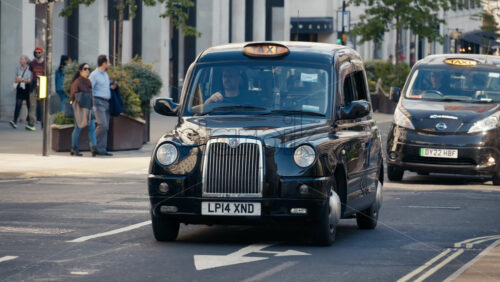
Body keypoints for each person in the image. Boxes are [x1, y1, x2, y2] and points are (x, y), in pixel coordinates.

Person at [70, 63, 98, 157]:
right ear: (80, 70)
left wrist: (92, 105)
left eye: (88, 69)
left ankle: (94, 148)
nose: (87, 70)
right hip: (80, 107)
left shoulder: (88, 81)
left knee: (92, 127)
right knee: (78, 127)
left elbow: (91, 94)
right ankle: (74, 147)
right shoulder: (77, 82)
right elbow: (74, 95)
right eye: (85, 68)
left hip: (88, 107)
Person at [89, 55, 114, 156]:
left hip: (106, 102)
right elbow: (90, 88)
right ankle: (93, 143)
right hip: (98, 101)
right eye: (108, 62)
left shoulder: (105, 74)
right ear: (103, 63)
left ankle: (101, 149)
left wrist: (111, 87)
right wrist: (92, 104)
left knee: (106, 126)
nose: (109, 64)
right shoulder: (94, 75)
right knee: (102, 124)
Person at [9, 55, 32, 129]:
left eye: (22, 59)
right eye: (20, 59)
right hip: (20, 88)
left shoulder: (30, 69)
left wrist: (22, 80)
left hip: (28, 88)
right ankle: (15, 121)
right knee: (18, 104)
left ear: (26, 61)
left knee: (29, 105)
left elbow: (30, 80)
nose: (20, 60)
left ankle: (30, 122)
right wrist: (17, 80)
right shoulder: (18, 69)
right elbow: (15, 79)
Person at [27, 46, 45, 131]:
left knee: (43, 105)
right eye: (36, 52)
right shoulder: (32, 63)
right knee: (32, 104)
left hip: (43, 83)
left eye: (39, 52)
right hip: (33, 84)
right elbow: (30, 74)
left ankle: (43, 122)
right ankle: (31, 123)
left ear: (42, 53)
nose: (37, 54)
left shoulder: (45, 63)